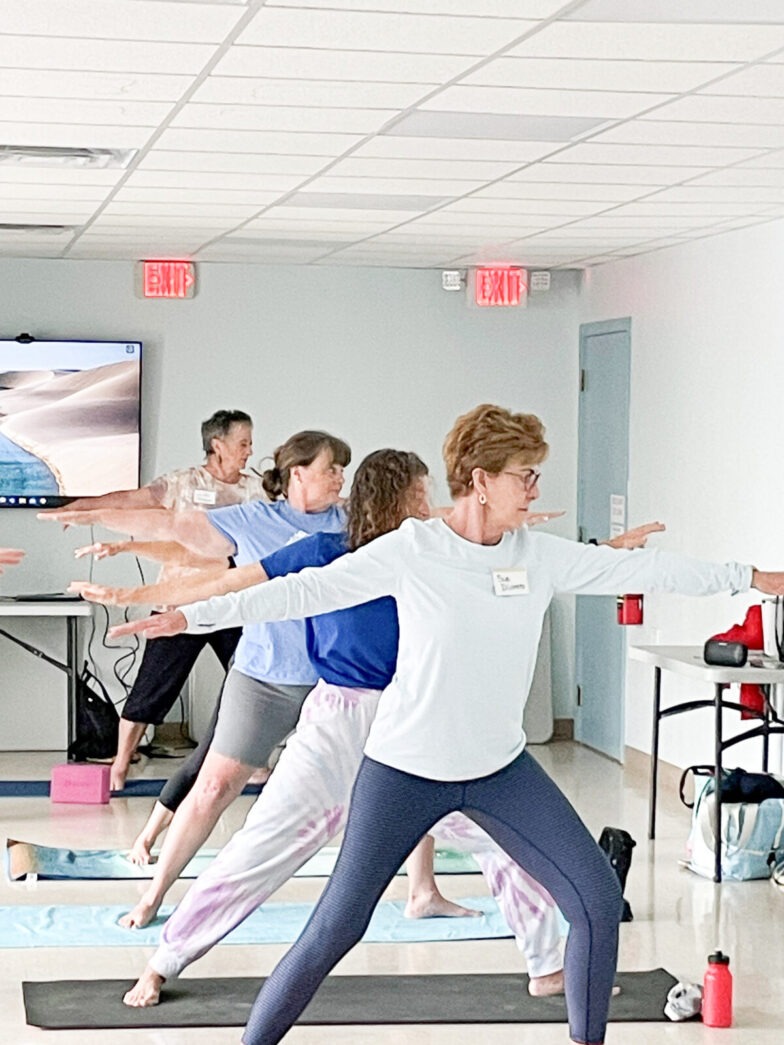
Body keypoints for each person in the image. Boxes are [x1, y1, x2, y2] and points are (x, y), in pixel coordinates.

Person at [102, 404, 742, 1045]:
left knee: (550, 877)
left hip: (473, 751)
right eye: (525, 474)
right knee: (311, 895)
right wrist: (187, 616)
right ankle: (171, 958)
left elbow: (587, 566)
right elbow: (288, 592)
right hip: (369, 737)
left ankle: (546, 965)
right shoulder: (388, 550)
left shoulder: (480, 547)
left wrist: (738, 576)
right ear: (475, 481)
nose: (534, 487)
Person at [84, 449, 571, 1009]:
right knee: (260, 848)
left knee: (501, 841)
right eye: (418, 494)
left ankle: (547, 966)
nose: (426, 504)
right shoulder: (327, 551)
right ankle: (163, 961)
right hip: (336, 725)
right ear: (397, 499)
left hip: (411, 723)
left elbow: (494, 542)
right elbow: (237, 584)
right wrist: (147, 602)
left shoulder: (431, 554)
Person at [44, 429, 354, 930]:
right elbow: (174, 525)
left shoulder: (356, 522)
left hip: (339, 681)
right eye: (331, 468)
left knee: (385, 781)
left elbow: (427, 524)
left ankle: (419, 890)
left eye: (343, 468)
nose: (341, 477)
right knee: (211, 788)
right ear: (298, 473)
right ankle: (153, 894)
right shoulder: (254, 518)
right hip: (265, 680)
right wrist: (92, 512)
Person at [41, 408, 266, 790]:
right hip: (178, 603)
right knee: (151, 686)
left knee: (254, 682)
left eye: (249, 442)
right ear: (218, 445)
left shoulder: (256, 489)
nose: (249, 450)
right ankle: (121, 761)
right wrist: (83, 508)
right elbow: (132, 499)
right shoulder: (182, 483)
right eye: (243, 443)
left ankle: (252, 762)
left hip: (233, 603)